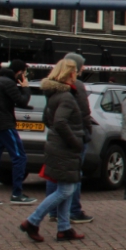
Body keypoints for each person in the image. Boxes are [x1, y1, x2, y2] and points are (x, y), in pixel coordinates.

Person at [19, 60, 86, 242]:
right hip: (65, 148)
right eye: (75, 73)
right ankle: (33, 221)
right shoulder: (66, 97)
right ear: (70, 74)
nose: (77, 76)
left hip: (57, 145)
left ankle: (64, 228)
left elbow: (48, 120)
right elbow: (60, 122)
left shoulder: (53, 95)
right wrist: (75, 142)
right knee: (64, 190)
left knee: (66, 188)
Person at [48, 53, 93, 223]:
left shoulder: (52, 88)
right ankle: (73, 211)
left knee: (55, 174)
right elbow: (84, 112)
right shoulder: (76, 87)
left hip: (55, 138)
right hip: (74, 135)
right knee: (74, 174)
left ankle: (55, 212)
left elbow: (49, 115)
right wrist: (86, 133)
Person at [0, 59, 35, 205]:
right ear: (19, 72)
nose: (24, 76)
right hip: (5, 125)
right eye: (24, 74)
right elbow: (22, 101)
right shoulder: (9, 83)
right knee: (19, 157)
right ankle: (17, 194)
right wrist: (25, 87)